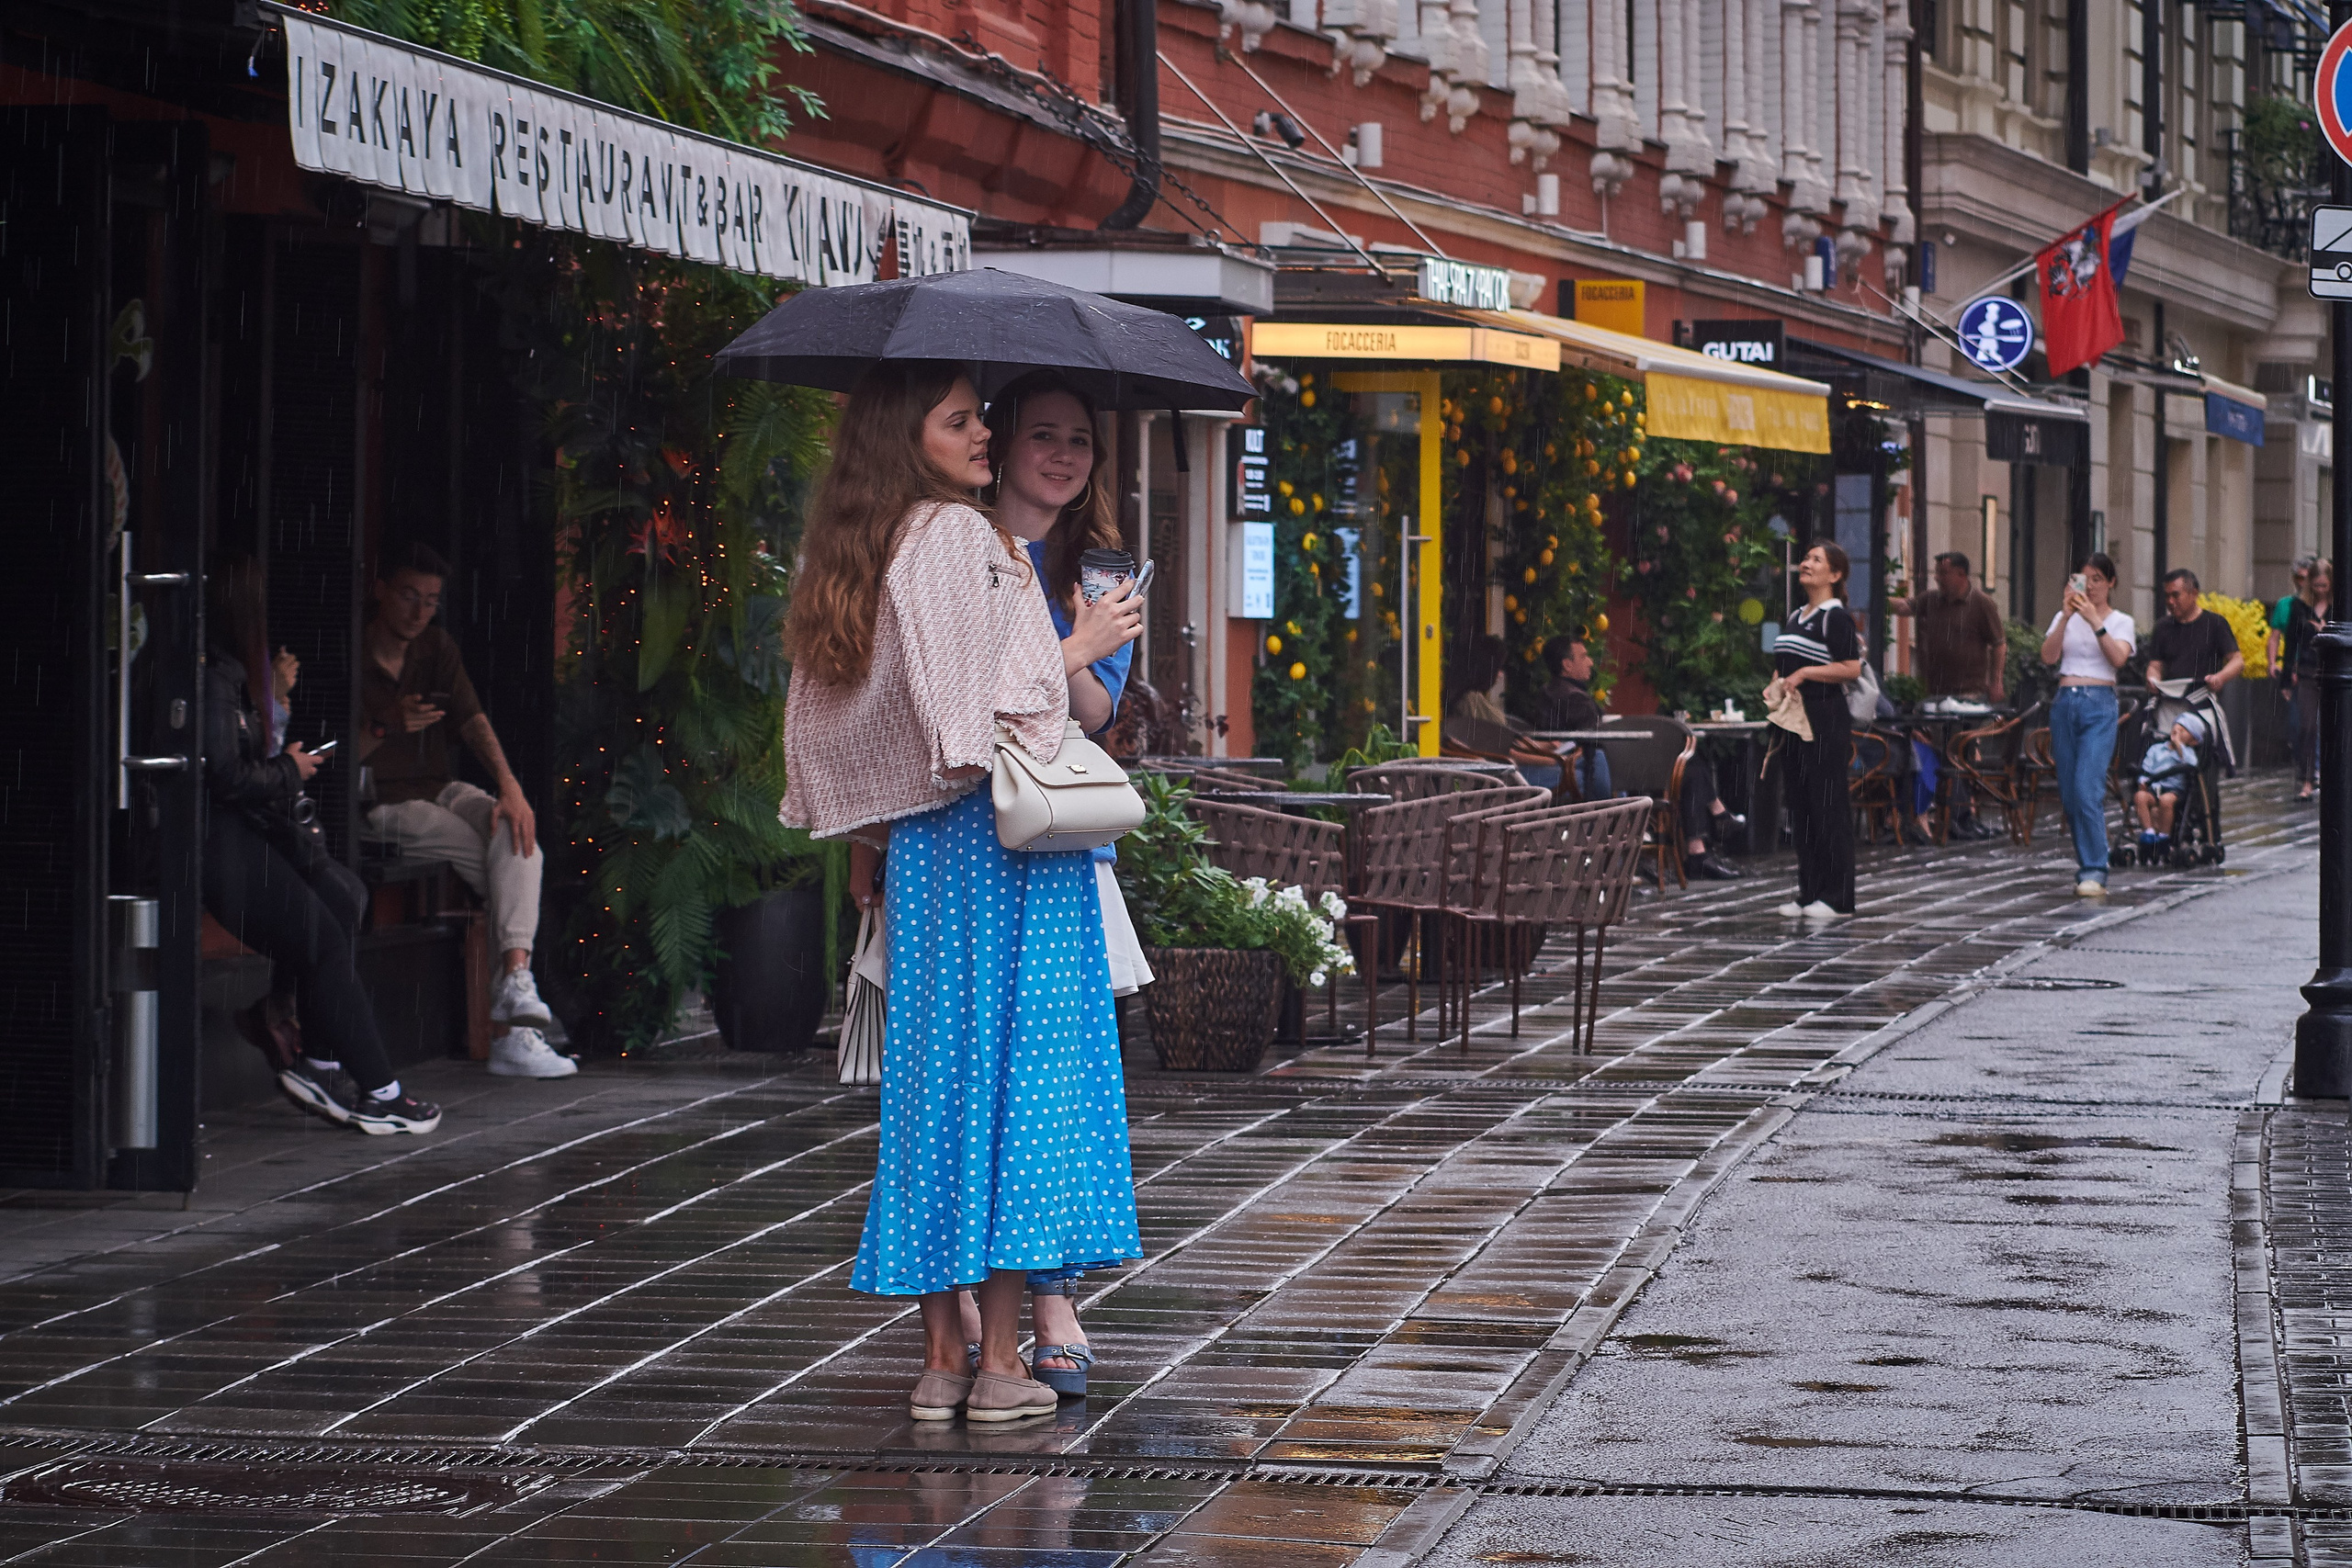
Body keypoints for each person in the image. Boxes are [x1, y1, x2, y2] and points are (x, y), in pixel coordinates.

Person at [778, 359, 1140, 1426]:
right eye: (961, 419)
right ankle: (998, 1369)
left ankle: (944, 1359)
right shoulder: (966, 542)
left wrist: (868, 841)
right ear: (910, 434)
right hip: (1007, 851)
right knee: (1018, 1090)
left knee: (937, 1092)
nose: (982, 431)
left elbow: (850, 725)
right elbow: (977, 713)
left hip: (930, 856)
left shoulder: (867, 547)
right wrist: (1072, 645)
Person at [965, 368, 1151, 1398]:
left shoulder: (1100, 571)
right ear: (1000, 442)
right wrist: (1067, 645)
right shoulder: (952, 546)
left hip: (1053, 844)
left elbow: (1085, 713)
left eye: (1079, 439)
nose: (1064, 454)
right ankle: (959, 1307)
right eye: (1044, 434)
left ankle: (1052, 1301)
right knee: (967, 1081)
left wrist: (1081, 639)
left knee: (1054, 1083)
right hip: (954, 835)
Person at [201, 556, 441, 1135]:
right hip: (217, 839)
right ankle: (380, 1088)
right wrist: (289, 766)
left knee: (343, 900)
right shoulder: (213, 675)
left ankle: (322, 1060)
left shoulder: (236, 673)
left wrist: (276, 709)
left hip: (246, 832)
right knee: (324, 939)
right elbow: (228, 774)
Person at [355, 543, 571, 1079]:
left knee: (517, 836)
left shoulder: (436, 648)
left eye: (430, 602)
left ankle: (514, 988)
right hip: (381, 801)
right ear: (379, 589)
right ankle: (515, 1031)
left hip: (440, 785)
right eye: (409, 597)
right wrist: (386, 726)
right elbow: (326, 756)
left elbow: (472, 719)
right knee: (503, 863)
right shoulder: (349, 652)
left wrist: (510, 787)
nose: (419, 613)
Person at [1767, 541, 1864, 919]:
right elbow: (1786, 664)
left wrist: (1806, 674)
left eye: (1816, 560)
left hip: (1825, 718)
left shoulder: (1835, 617)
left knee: (1829, 805)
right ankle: (1810, 891)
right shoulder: (1796, 615)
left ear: (1835, 575)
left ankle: (1838, 897)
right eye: (1806, 558)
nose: (1806, 564)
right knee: (1802, 806)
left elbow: (1850, 668)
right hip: (1794, 720)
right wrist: (1776, 682)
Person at [2038, 552, 2135, 897]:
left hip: (2099, 703)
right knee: (2068, 791)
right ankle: (2086, 866)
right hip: (2066, 703)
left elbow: (2118, 658)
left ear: (2111, 583)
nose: (2090, 586)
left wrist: (2097, 622)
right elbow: (2048, 657)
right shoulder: (2065, 618)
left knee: (2086, 787)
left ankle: (2096, 868)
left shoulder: (2121, 621)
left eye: (2097, 579)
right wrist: (2066, 616)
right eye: (2084, 578)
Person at [1889, 552, 2007, 701]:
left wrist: (1996, 682)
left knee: (1965, 724)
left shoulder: (1981, 603)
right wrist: (1875, 599)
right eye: (1937, 573)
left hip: (1970, 693)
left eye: (1943, 573)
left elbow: (1999, 644)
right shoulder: (1930, 600)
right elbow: (1904, 607)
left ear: (1961, 574)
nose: (1937, 578)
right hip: (1935, 692)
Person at [2274, 557, 2329, 801]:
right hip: (2308, 671)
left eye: (2324, 586)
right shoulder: (2299, 607)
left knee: (2335, 728)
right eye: (2316, 585)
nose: (2320, 590)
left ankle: (2332, 775)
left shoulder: (2340, 606)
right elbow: (2290, 645)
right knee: (2306, 727)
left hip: (2334, 673)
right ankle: (2307, 779)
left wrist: (2327, 632)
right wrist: (2286, 679)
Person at [2144, 568, 2245, 693]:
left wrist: (2219, 678)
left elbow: (2237, 660)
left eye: (2176, 595)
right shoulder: (2162, 627)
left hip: (2203, 701)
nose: (2170, 601)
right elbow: (2155, 665)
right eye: (2167, 596)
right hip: (2170, 699)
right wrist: (2153, 680)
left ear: (2194, 594)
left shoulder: (2215, 624)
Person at [2132, 711, 2205, 850]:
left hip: (2174, 790)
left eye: (2183, 731)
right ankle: (2149, 832)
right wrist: (2143, 780)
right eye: (2176, 727)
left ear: (2193, 741)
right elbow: (2146, 767)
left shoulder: (2188, 753)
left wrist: (2179, 746)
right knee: (2140, 797)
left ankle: (2164, 836)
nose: (2177, 731)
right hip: (2154, 788)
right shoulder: (2156, 749)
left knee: (2166, 800)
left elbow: (2192, 765)